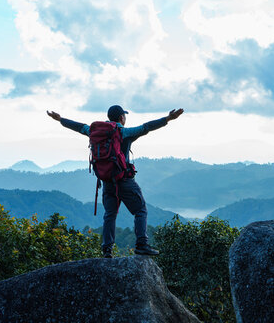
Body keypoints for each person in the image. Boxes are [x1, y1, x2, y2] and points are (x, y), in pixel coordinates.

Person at [46, 105, 184, 257]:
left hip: (107, 181)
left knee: (110, 214)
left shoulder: (95, 131)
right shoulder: (124, 132)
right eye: (124, 116)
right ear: (121, 118)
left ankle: (107, 250)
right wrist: (168, 119)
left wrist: (60, 120)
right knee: (140, 210)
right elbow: (146, 127)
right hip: (124, 180)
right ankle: (141, 245)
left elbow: (79, 127)